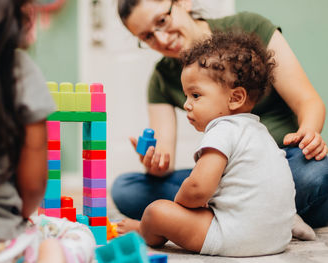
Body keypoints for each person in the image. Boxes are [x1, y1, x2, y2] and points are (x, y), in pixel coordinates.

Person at [112, 0, 328, 230]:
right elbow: (164, 160)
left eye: (162, 21)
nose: (162, 39)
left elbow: (307, 101)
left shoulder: (249, 27)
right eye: (147, 37)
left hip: (282, 161)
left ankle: (208, 215)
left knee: (315, 172)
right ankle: (263, 213)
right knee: (126, 189)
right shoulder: (162, 77)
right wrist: (155, 163)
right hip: (222, 172)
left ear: (183, 3)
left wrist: (309, 133)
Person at [122, 31, 296, 256]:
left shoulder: (223, 129)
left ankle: (143, 231)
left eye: (195, 95)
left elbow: (197, 189)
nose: (187, 105)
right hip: (277, 239)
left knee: (157, 211)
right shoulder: (260, 132)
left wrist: (179, 206)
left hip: (236, 236)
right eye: (186, 96)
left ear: (235, 98)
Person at [0, 1, 96, 262]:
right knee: (77, 233)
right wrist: (24, 216)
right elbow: (33, 186)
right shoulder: (18, 70)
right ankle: (49, 256)